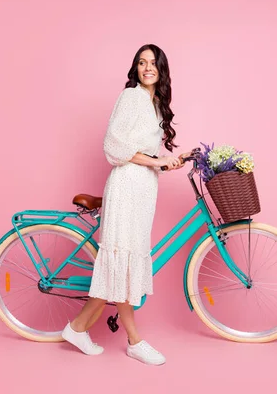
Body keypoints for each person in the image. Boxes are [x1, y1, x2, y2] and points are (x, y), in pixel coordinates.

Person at [62, 44, 190, 365]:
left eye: (153, 63)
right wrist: (157, 162)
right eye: (142, 62)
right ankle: (135, 340)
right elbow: (114, 145)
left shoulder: (156, 103)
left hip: (144, 189)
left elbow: (148, 154)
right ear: (135, 68)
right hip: (127, 184)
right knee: (121, 262)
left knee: (125, 264)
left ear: (162, 69)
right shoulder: (132, 96)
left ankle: (78, 327)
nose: (148, 68)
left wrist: (167, 162)